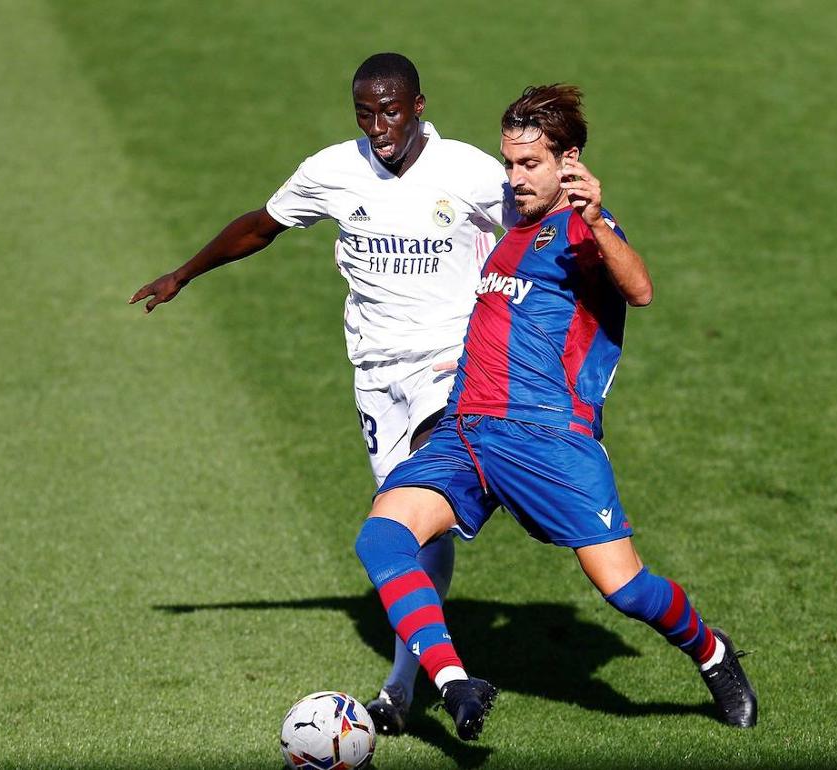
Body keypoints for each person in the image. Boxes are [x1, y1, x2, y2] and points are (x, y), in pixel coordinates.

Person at [352, 84, 757, 741]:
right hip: (467, 431)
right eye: (508, 163)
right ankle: (456, 682)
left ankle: (712, 652)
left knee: (625, 590)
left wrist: (597, 219)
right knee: (382, 535)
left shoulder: (579, 227)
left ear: (568, 161)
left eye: (528, 165)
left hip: (547, 439)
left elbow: (641, 289)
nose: (513, 178)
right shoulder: (512, 234)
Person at [129, 53, 514, 735]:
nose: (378, 125)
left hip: (449, 365)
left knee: (409, 508)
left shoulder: (472, 172)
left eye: (390, 110)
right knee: (403, 528)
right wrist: (183, 274)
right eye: (365, 112)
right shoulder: (333, 170)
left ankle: (409, 684)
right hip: (374, 372)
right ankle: (414, 679)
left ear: (418, 105)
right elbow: (261, 225)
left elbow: (538, 228)